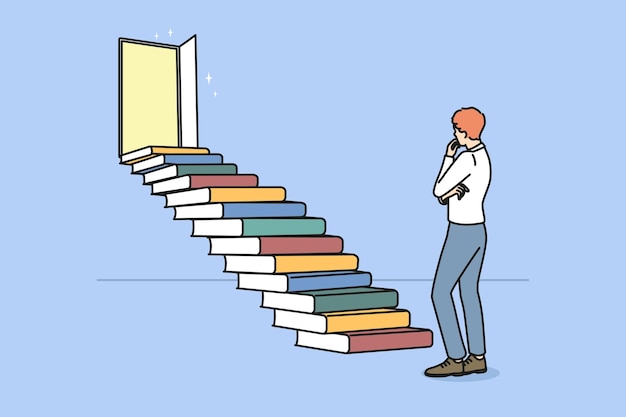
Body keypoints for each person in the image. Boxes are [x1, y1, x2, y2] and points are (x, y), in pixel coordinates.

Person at [424, 107, 492, 377]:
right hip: (479, 231)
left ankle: (455, 357)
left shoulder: (464, 159)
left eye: (456, 129)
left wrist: (447, 156)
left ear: (464, 132)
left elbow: (438, 189)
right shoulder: (484, 156)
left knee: (439, 293)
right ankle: (477, 356)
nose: (454, 133)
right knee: (468, 292)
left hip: (461, 232)